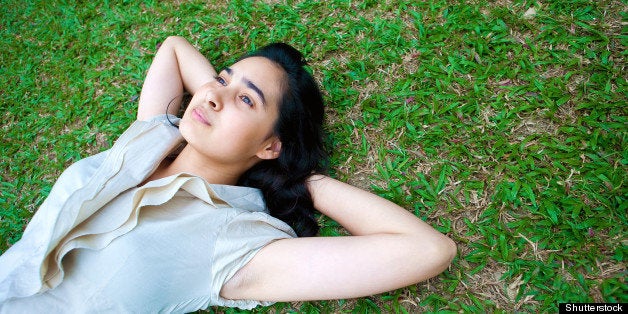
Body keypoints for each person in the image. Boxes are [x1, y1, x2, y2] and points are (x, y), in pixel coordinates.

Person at [0, 36, 456, 312]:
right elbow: (174, 50)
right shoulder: (150, 137)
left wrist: (300, 177)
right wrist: (223, 96)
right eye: (221, 78)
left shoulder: (233, 241)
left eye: (247, 100)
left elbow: (427, 250)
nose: (214, 95)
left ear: (269, 145)